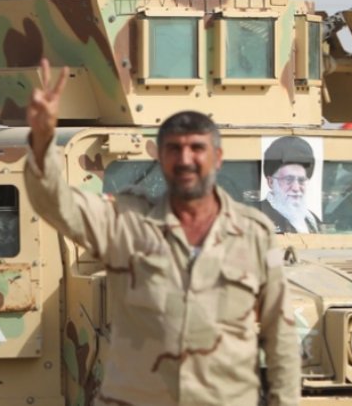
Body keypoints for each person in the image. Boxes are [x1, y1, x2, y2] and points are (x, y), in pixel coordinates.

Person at [24, 59, 300, 405]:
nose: (185, 159)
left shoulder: (254, 233)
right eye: (174, 148)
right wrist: (42, 141)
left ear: (217, 157)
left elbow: (280, 332)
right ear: (160, 157)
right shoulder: (125, 223)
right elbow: (55, 204)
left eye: (196, 148)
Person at [259, 136, 322, 233]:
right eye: (288, 179)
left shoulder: (312, 220)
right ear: (271, 182)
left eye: (301, 180)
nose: (296, 188)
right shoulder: (258, 216)